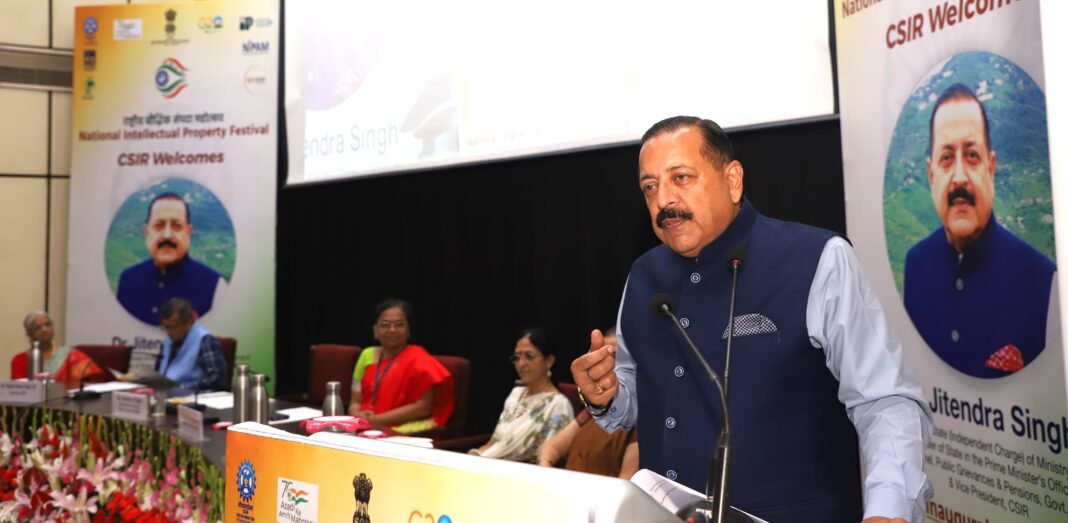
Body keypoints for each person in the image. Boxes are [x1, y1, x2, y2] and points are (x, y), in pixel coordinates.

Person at [571, 116, 932, 523]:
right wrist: (606, 394)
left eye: (681, 178)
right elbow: (639, 394)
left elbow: (885, 401)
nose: (663, 200)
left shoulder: (818, 258)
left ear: (733, 180)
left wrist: (889, 511)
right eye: (650, 187)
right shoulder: (643, 276)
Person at [904, 83, 1056, 378]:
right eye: (947, 158)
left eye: (972, 155)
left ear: (991, 167)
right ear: (931, 174)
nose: (960, 177)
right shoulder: (916, 265)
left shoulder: (1044, 282)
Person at [537, 328, 638, 478]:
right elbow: (551, 446)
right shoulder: (594, 410)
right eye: (601, 359)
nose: (605, 367)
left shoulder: (639, 420)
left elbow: (626, 484)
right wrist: (545, 466)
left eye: (615, 358)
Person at [116, 192, 226, 325]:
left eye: (177, 226)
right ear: (146, 232)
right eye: (159, 225)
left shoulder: (215, 287)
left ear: (188, 232)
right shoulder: (128, 281)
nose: (167, 235)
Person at [348, 299, 454, 434]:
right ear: (375, 330)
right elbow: (355, 401)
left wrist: (375, 420)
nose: (392, 330)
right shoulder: (366, 355)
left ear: (408, 330)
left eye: (399, 325)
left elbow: (423, 408)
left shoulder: (420, 360)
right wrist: (356, 413)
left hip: (403, 430)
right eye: (385, 325)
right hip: (365, 426)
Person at [470, 328, 574, 462]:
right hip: (486, 462)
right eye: (516, 357)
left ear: (549, 361)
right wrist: (475, 455)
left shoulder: (557, 405)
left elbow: (550, 458)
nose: (521, 364)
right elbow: (494, 443)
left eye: (529, 356)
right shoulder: (515, 394)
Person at [11, 311, 107, 383]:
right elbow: (19, 391)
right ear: (29, 334)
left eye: (48, 324)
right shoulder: (20, 360)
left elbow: (95, 378)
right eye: (37, 327)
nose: (44, 329)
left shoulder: (70, 355)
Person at [157, 298, 229, 390]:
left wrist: (185, 388)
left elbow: (217, 378)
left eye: (173, 327)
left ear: (189, 321)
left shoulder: (205, 340)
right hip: (164, 393)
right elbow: (159, 371)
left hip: (190, 395)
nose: (168, 333)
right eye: (166, 327)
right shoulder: (168, 341)